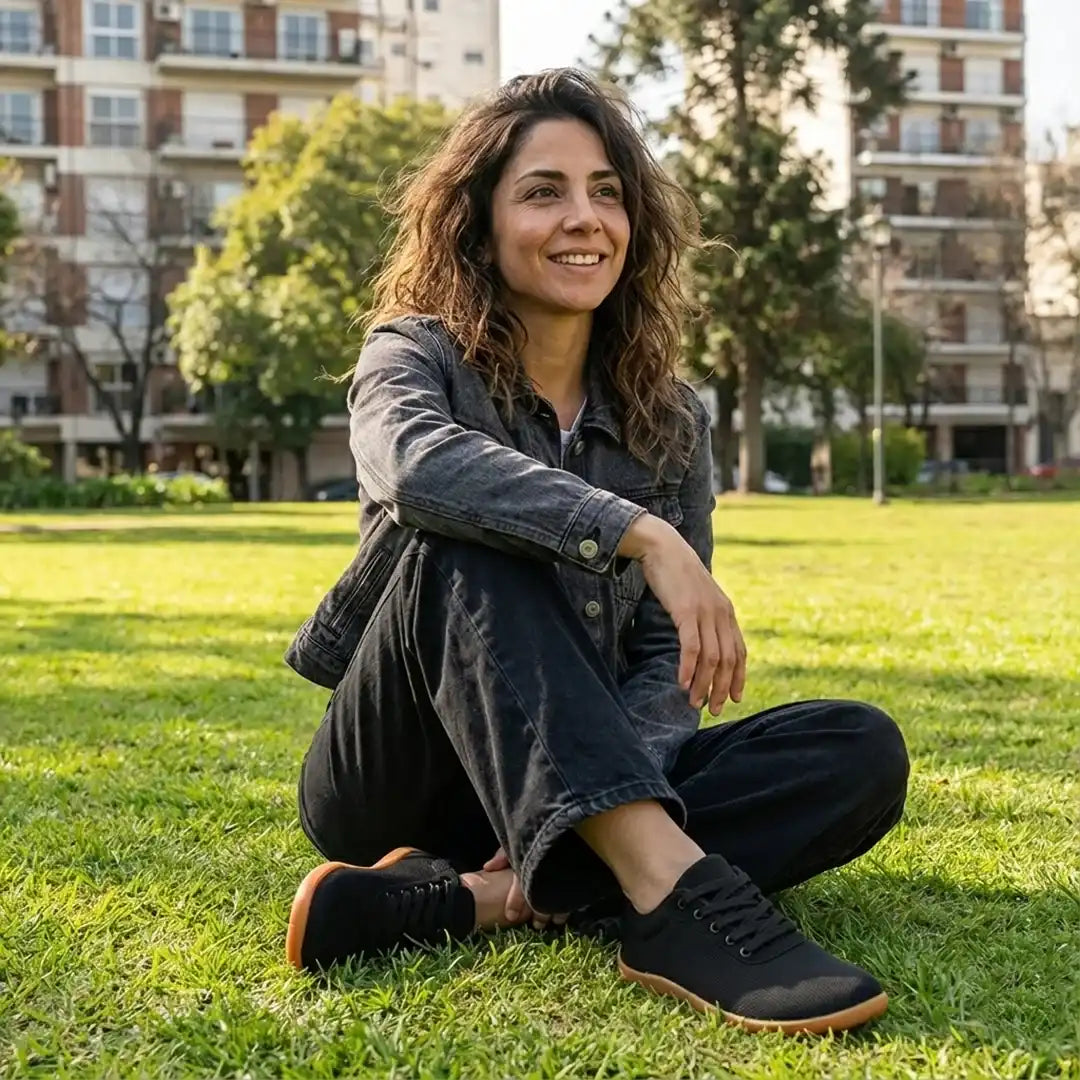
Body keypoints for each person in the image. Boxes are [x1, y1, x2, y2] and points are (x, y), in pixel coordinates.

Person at [283, 68, 909, 1036]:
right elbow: (416, 469)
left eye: (607, 192)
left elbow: (663, 657)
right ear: (478, 222)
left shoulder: (669, 418)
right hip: (404, 782)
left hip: (575, 772)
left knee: (854, 746)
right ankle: (667, 896)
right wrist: (637, 531)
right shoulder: (411, 355)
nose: (585, 218)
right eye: (544, 191)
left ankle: (487, 898)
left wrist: (613, 778)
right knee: (471, 541)